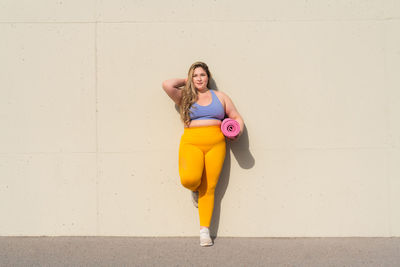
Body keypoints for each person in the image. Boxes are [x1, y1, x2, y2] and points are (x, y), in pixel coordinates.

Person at [162, 61, 244, 247]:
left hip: (216, 144)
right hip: (192, 143)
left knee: (209, 188)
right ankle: (194, 188)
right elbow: (167, 84)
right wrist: (188, 81)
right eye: (195, 75)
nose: (199, 78)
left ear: (209, 77)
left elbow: (236, 116)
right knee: (189, 180)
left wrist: (237, 131)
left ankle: (204, 231)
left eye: (203, 75)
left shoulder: (220, 97)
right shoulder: (184, 97)